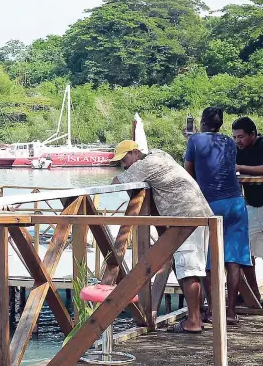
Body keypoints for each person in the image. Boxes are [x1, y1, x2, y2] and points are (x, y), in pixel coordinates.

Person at [111, 140, 213, 334]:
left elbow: (117, 183)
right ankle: (196, 316)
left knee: (188, 269)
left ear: (134, 152)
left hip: (187, 218)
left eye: (124, 159)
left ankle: (194, 321)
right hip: (196, 213)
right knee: (189, 267)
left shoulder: (145, 165)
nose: (123, 165)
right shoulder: (160, 155)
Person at [184, 107, 251, 325]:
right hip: (236, 202)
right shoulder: (229, 142)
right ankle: (230, 312)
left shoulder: (194, 141)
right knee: (233, 260)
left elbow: (187, 172)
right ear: (221, 124)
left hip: (211, 203)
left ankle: (213, 310)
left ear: (202, 122)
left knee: (210, 258)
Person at [232, 116, 263, 304]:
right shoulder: (238, 150)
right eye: (235, 137)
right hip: (252, 205)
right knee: (246, 252)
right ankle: (253, 296)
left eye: (241, 137)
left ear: (253, 134)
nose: (238, 141)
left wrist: (241, 168)